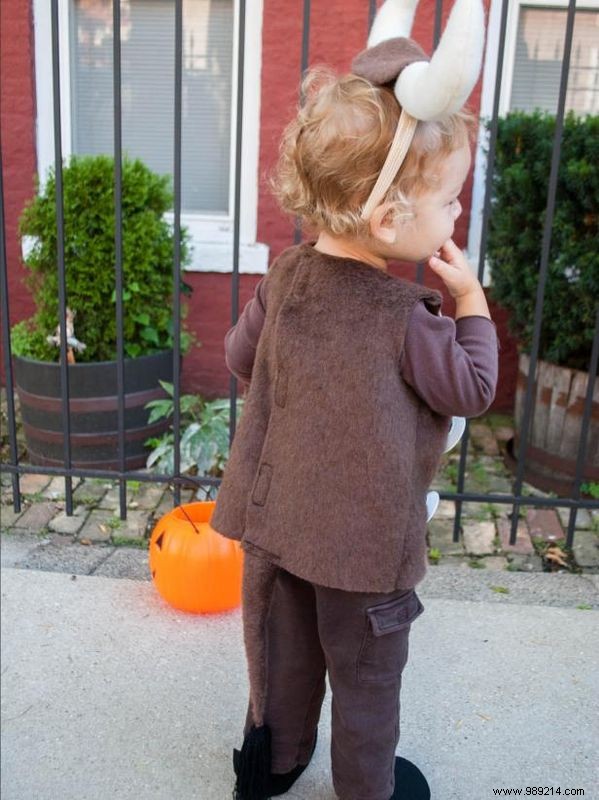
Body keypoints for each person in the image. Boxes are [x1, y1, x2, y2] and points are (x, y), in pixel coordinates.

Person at [209, 1, 498, 798]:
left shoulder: (284, 278)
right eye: (447, 201)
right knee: (367, 675)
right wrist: (469, 300)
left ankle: (268, 768)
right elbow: (473, 388)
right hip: (366, 551)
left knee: (284, 657)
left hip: (278, 524)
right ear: (385, 215)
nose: (455, 216)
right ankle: (366, 788)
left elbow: (240, 358)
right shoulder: (408, 319)